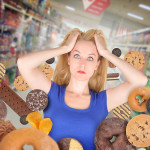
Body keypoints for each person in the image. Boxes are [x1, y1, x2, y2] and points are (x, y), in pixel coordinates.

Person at [17, 28, 148, 150]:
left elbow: (140, 81)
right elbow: (23, 63)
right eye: (76, 55)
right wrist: (64, 48)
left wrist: (105, 53)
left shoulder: (103, 101)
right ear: (68, 59)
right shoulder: (51, 92)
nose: (82, 64)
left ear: (97, 64)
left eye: (90, 58)